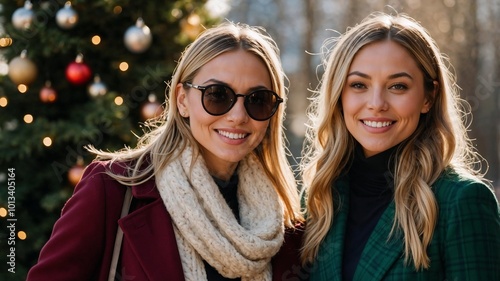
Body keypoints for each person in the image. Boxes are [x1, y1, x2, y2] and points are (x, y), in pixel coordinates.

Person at [27, 21, 305, 281]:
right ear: (182, 100)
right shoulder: (111, 189)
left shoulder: (282, 226)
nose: (238, 116)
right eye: (218, 95)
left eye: (258, 100)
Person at [300, 12, 500, 280]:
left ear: (428, 97)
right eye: (359, 84)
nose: (376, 103)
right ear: (339, 96)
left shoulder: (461, 201)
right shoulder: (319, 197)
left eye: (398, 86)